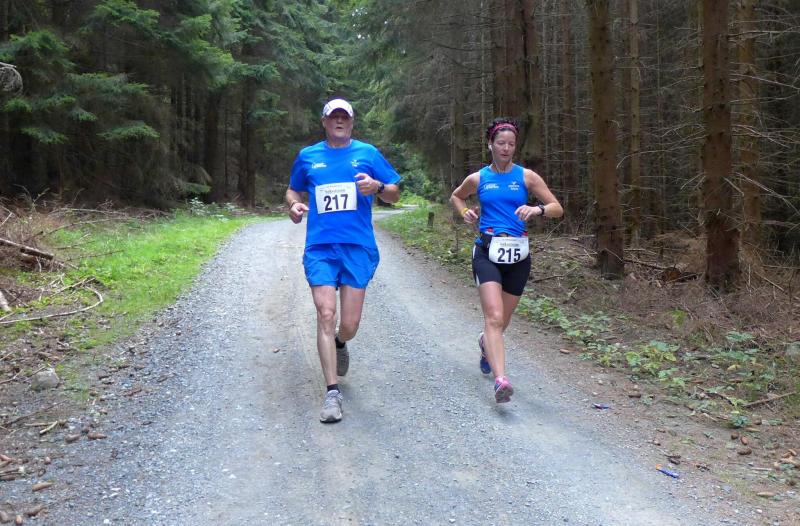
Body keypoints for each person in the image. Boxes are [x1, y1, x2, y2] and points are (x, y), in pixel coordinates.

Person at [286, 98, 401, 423]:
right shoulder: (308, 156)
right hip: (320, 247)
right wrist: (293, 206)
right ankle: (332, 393)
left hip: (357, 247)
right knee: (326, 313)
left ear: (351, 122)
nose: (339, 121)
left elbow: (394, 192)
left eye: (344, 117)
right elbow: (293, 190)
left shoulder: (368, 153)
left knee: (349, 324)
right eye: (333, 117)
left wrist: (377, 187)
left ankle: (340, 342)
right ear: (324, 122)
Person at [450, 117, 563, 403]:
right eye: (501, 143)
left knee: (503, 321)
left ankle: (485, 342)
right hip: (487, 252)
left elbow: (557, 208)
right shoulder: (478, 178)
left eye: (511, 144)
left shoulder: (527, 177)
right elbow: (457, 196)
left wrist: (537, 210)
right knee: (494, 317)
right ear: (490, 144)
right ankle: (501, 381)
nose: (506, 148)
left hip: (518, 256)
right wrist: (464, 213)